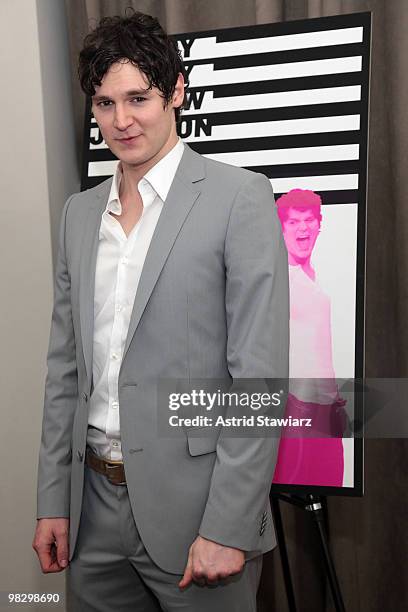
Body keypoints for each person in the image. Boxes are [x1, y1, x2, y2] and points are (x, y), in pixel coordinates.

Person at [33, 11, 289, 612]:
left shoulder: (240, 198)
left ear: (176, 90)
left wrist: (228, 524)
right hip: (91, 511)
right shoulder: (78, 214)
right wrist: (53, 499)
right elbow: (65, 371)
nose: (121, 122)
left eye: (138, 98)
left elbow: (258, 380)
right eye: (103, 103)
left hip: (199, 514)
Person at [272, 189, 346, 487]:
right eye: (293, 222)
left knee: (331, 484)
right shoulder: (278, 280)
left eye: (309, 220)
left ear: (319, 224)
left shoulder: (323, 277)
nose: (303, 227)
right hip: (295, 414)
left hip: (330, 415)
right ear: (281, 227)